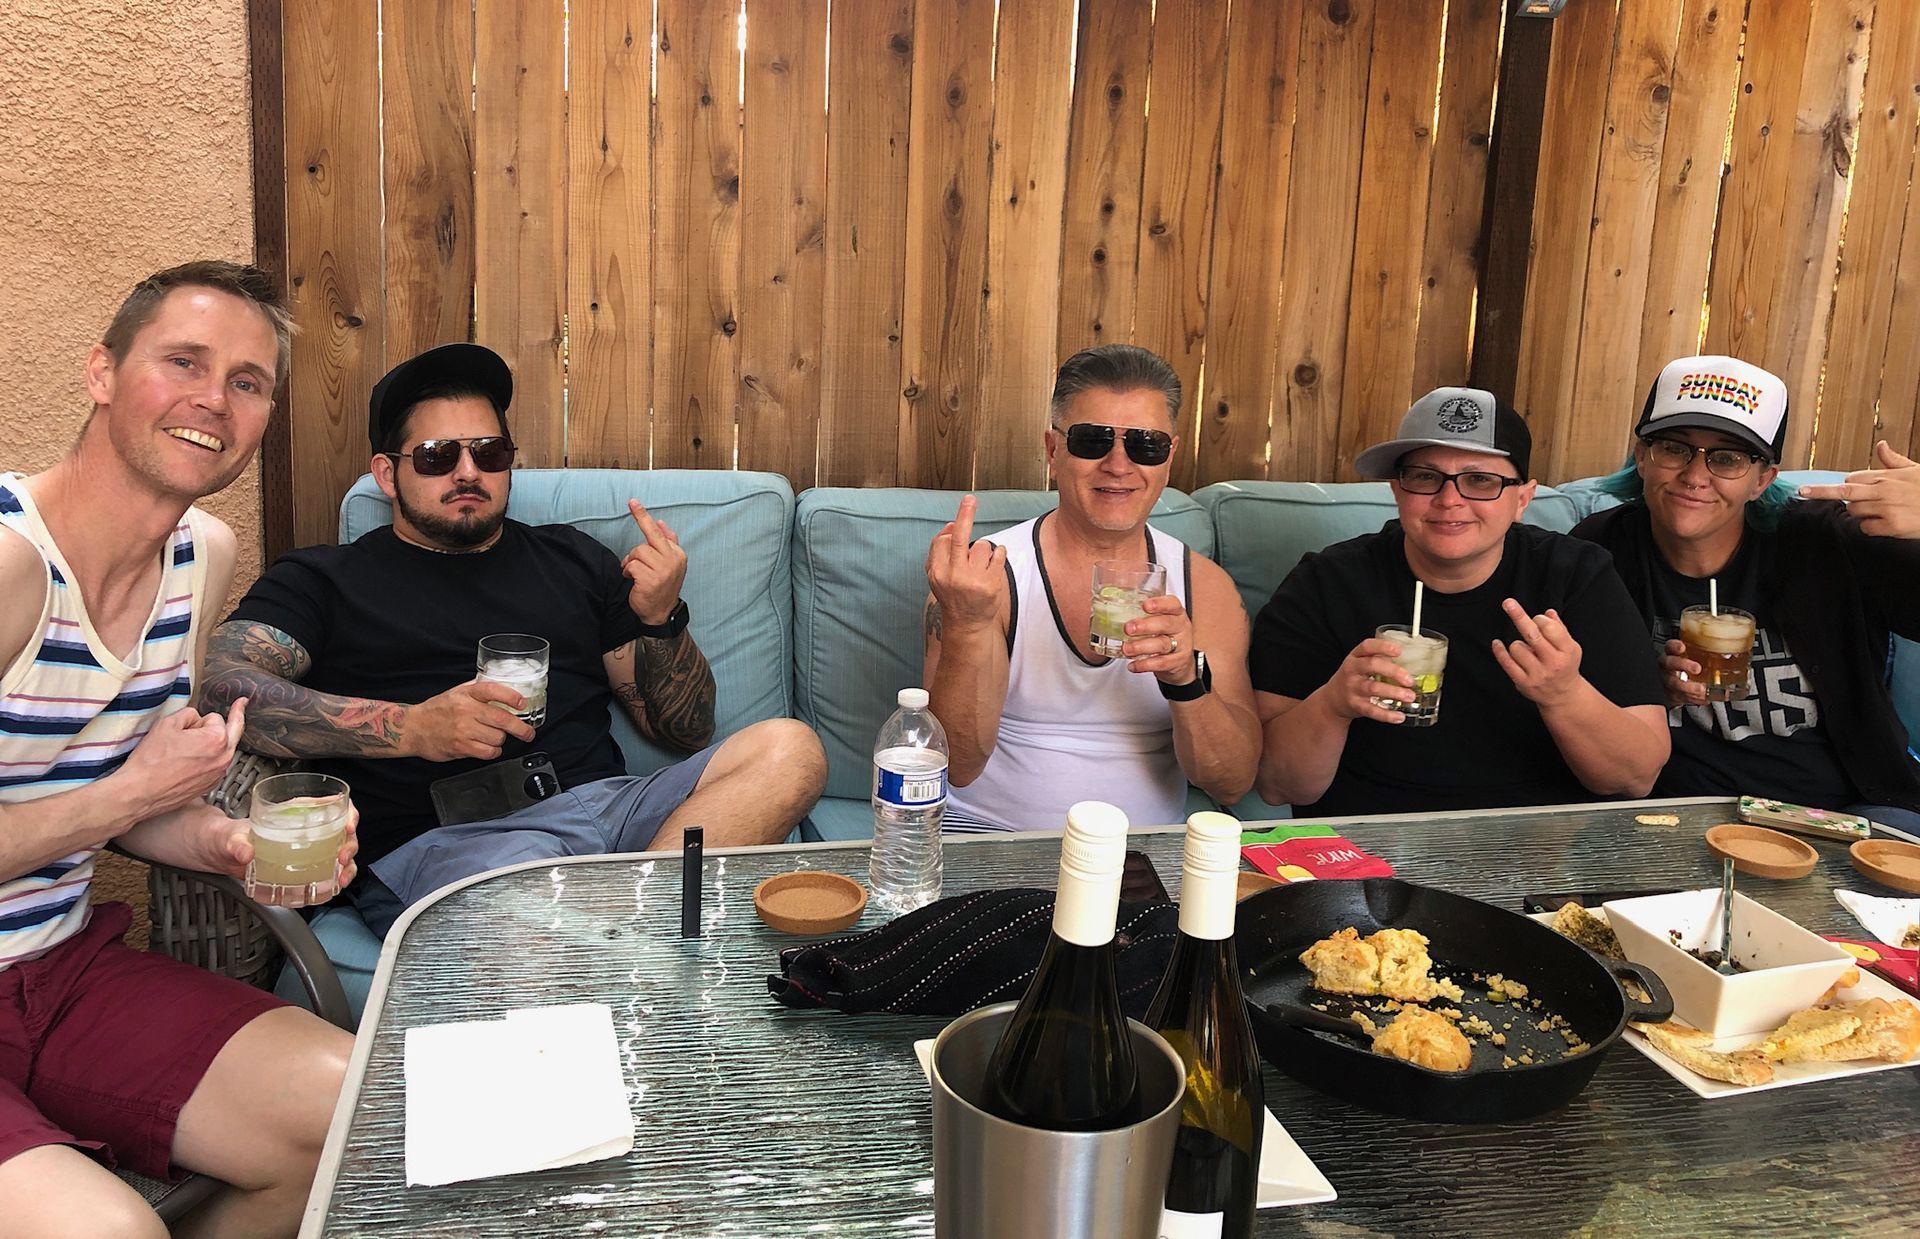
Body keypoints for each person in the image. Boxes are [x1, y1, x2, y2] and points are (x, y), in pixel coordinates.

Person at [202, 343, 825, 934]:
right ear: (388, 475)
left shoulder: (575, 559)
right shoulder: (324, 579)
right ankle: (642, 929)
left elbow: (684, 731)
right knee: (530, 897)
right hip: (455, 842)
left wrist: (661, 617)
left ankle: (632, 927)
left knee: (791, 749)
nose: (468, 471)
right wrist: (411, 728)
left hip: (613, 814)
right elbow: (221, 683)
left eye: (489, 452)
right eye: (437, 456)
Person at [0, 261, 356, 1237]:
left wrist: (223, 842)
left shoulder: (202, 557)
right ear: (102, 372)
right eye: (183, 362)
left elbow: (125, 796)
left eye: (247, 381)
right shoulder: (12, 565)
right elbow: (119, 797)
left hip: (59, 972)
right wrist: (128, 797)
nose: (214, 399)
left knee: (353, 1113)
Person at [1251, 387, 1669, 817]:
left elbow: (1637, 777)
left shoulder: (1577, 577)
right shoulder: (1326, 582)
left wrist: (1564, 694)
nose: (1449, 500)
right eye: (1425, 477)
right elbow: (1277, 785)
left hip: (1539, 842)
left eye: (1480, 480)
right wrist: (1333, 704)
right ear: (1397, 490)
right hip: (1363, 841)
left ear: (1522, 499)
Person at [1573, 355, 1920, 830]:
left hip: (1840, 814)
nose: (1695, 476)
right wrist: (1649, 690)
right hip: (1666, 815)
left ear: (1762, 480)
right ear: (1642, 457)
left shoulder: (1828, 542)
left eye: (1728, 458)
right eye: (1674, 448)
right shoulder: (1599, 551)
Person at [925, 344, 1261, 831]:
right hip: (993, 841)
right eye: (1092, 440)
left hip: (1139, 856)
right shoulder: (985, 574)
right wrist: (967, 623)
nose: (1119, 465)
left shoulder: (1205, 587)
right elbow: (955, 764)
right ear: (1053, 451)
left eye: (1145, 444)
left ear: (1169, 457)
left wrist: (1186, 678)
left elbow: (1232, 782)